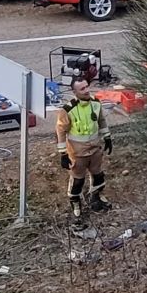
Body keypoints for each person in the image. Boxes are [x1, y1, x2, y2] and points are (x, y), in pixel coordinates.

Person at [56, 79, 113, 223]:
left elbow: (101, 121)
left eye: (87, 86)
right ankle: (76, 205)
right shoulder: (68, 110)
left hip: (94, 150)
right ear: (74, 92)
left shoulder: (95, 103)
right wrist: (63, 154)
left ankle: (96, 197)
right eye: (82, 89)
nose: (87, 90)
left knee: (98, 175)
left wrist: (107, 137)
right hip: (77, 153)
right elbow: (61, 131)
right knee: (77, 181)